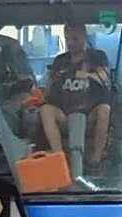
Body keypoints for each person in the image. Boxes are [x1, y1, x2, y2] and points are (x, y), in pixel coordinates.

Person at [38, 23, 111, 167]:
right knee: (45, 110)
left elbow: (104, 77)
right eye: (67, 39)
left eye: (75, 39)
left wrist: (86, 75)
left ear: (84, 37)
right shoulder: (60, 61)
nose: (70, 43)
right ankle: (59, 156)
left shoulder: (97, 57)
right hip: (64, 114)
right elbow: (50, 83)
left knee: (105, 109)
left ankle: (97, 157)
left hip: (90, 113)